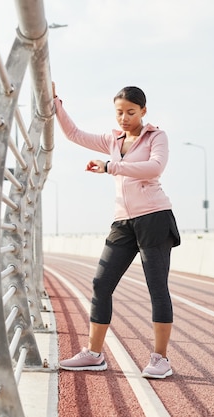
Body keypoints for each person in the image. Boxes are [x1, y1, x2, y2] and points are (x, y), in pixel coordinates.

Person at [52, 83, 180, 379]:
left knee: (157, 288)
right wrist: (56, 103)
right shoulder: (113, 138)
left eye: (130, 112)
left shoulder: (156, 136)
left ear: (143, 111)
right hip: (123, 221)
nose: (124, 118)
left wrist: (111, 167)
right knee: (101, 282)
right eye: (119, 112)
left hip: (154, 218)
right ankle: (94, 354)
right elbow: (74, 134)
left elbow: (154, 167)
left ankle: (161, 359)